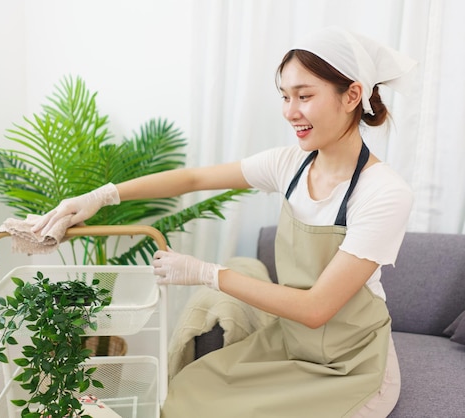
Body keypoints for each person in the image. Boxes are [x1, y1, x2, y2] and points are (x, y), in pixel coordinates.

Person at [33, 26, 416, 418]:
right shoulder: (289, 165)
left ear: (352, 95)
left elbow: (316, 308)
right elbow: (194, 179)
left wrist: (206, 273)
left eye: (305, 95)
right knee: (187, 394)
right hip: (291, 341)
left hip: (350, 365)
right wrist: (101, 196)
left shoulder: (383, 192)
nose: (290, 111)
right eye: (285, 96)